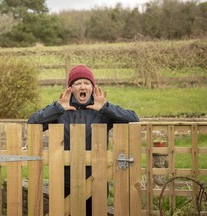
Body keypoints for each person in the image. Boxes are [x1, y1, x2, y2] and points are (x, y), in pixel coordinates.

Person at [27, 64, 139, 215]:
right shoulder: (60, 110)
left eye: (86, 83)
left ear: (92, 87)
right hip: (64, 180)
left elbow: (133, 119)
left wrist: (105, 107)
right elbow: (32, 123)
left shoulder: (102, 111)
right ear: (71, 88)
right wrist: (58, 108)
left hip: (96, 179)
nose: (82, 86)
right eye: (78, 83)